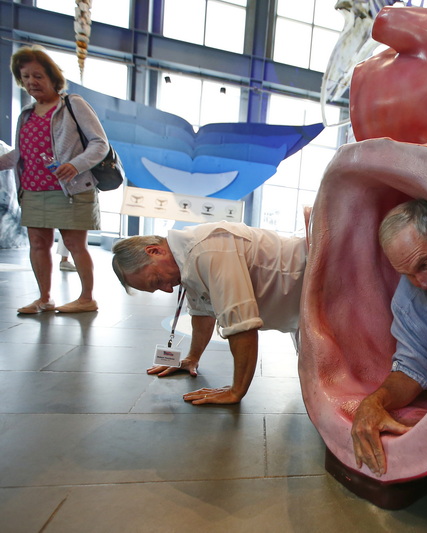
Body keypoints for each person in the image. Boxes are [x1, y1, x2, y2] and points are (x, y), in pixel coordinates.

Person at [111, 221, 306, 405]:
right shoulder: (185, 257)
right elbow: (201, 312)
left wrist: (236, 391)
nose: (168, 289)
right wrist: (192, 358)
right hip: (303, 301)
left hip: (321, 284)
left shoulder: (207, 251)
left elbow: (241, 324)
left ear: (154, 251)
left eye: (157, 281)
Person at [351, 199, 427, 476]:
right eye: (408, 274)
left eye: (425, 263)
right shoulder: (409, 299)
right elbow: (413, 367)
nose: (423, 282)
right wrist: (374, 402)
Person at [0, 46, 107, 314]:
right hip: (33, 190)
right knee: (38, 244)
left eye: (37, 76)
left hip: (70, 190)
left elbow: (99, 144)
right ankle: (44, 298)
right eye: (25, 77)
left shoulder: (72, 104)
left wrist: (75, 164)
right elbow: (23, 154)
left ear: (52, 77)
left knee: (74, 245)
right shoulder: (26, 113)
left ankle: (87, 298)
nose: (31, 82)